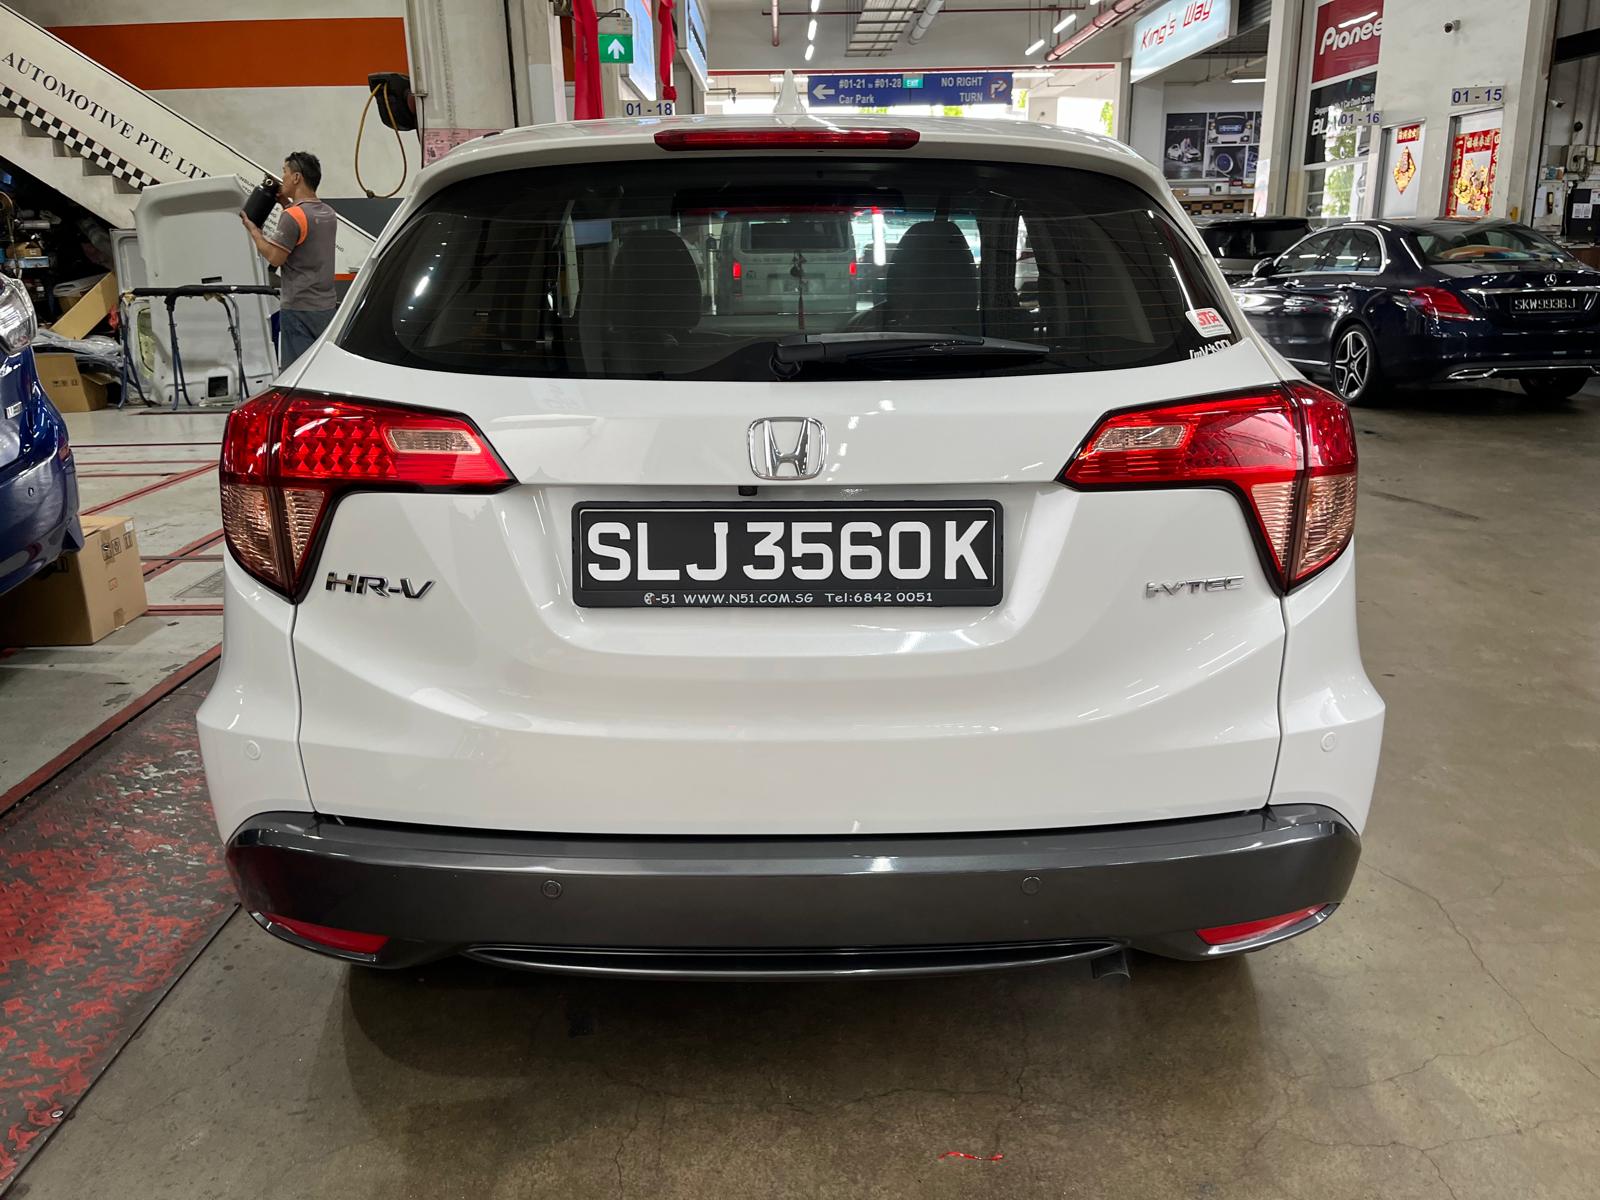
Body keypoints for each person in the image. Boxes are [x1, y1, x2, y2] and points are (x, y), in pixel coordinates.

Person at [241, 151, 337, 367]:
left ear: (296, 177)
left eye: (284, 172)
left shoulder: (292, 216)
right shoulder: (328, 214)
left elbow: (275, 257)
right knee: (320, 368)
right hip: (326, 307)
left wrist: (254, 230)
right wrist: (286, 203)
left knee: (296, 371)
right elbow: (304, 234)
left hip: (299, 308)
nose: (282, 177)